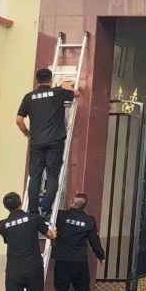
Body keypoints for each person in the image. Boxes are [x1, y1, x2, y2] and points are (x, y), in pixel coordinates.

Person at [16, 68, 84, 216]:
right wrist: (66, 86)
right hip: (55, 141)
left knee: (35, 176)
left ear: (37, 81)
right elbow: (77, 93)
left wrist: (28, 134)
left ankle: (33, 210)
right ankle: (46, 206)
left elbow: (19, 120)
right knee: (52, 175)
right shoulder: (57, 93)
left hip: (36, 142)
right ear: (51, 80)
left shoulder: (29, 97)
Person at [51, 192, 105, 291]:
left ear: (71, 202)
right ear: (84, 205)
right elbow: (94, 242)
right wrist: (101, 256)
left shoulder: (60, 216)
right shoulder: (89, 221)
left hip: (62, 260)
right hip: (79, 261)